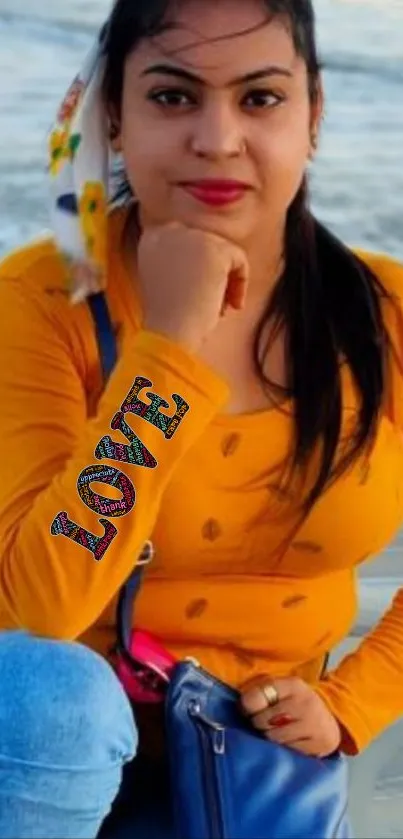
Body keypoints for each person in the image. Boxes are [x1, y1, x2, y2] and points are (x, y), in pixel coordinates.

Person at [0, 0, 402, 836]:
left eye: (259, 99)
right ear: (114, 114)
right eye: (173, 97)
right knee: (55, 694)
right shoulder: (40, 301)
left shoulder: (384, 309)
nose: (217, 139)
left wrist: (347, 704)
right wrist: (170, 349)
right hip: (46, 764)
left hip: (251, 767)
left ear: (313, 114)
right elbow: (33, 612)